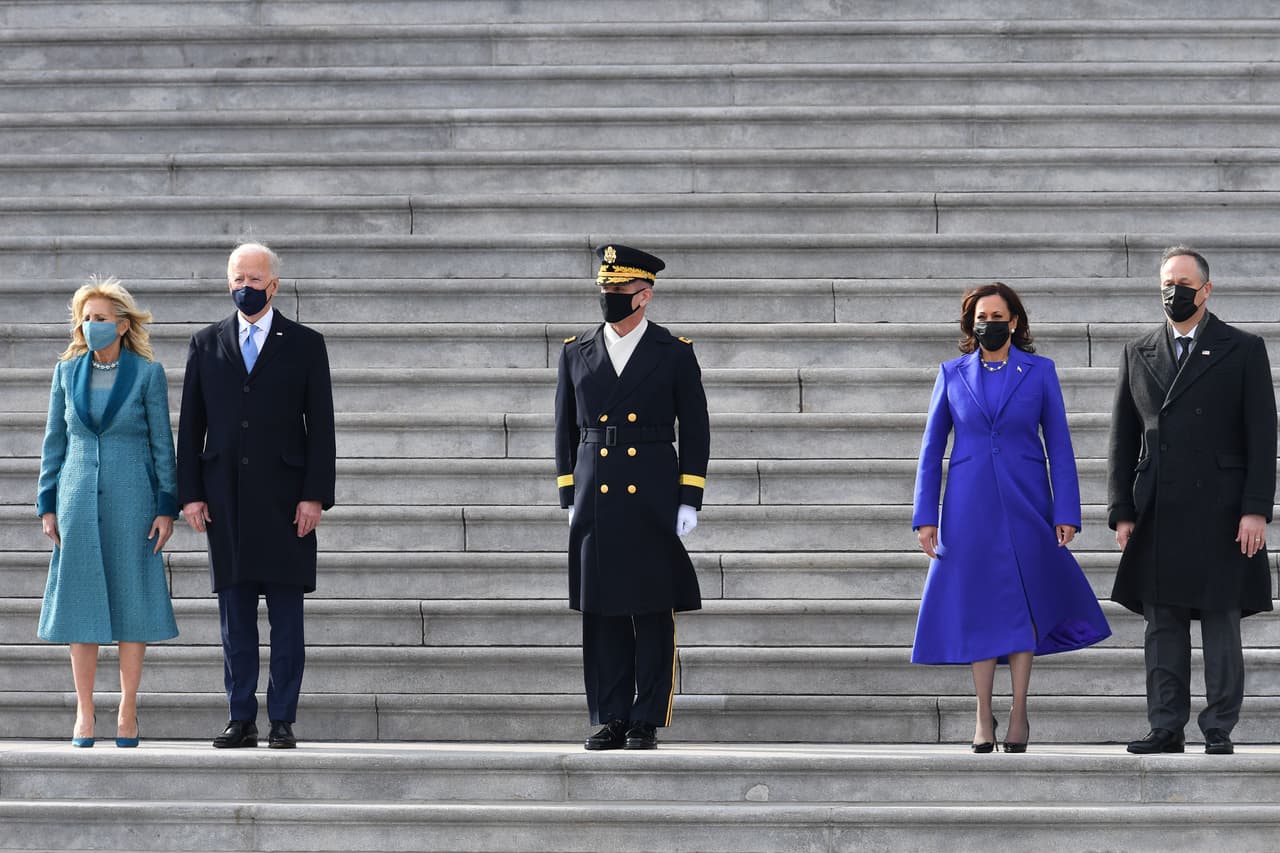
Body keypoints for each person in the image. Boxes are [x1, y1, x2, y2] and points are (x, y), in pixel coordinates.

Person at [912, 282, 1111, 753]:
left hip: (1027, 502)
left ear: (1015, 321)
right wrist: (926, 516)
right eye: (982, 316)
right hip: (968, 505)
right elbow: (930, 448)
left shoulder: (1039, 372)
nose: (990, 323)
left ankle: (1019, 712)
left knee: (1023, 605)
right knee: (981, 605)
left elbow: (1059, 444)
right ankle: (984, 715)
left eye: (998, 315)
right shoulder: (952, 373)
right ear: (971, 323)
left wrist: (1067, 510)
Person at [1108, 246, 1276, 756]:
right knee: (1163, 626)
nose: (1172, 291)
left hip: (1223, 509)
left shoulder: (1243, 348)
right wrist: (1122, 510)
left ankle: (1219, 727)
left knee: (1221, 620)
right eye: (1166, 282)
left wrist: (1255, 509)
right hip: (1159, 507)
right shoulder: (1139, 352)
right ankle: (1165, 726)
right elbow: (1122, 438)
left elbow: (1262, 436)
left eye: (1182, 282)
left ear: (1206, 290)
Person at [176, 242, 336, 750]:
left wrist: (315, 496)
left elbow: (322, 429)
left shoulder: (306, 344)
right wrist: (191, 496)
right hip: (225, 502)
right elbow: (191, 428)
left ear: (274, 284)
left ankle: (282, 717)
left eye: (254, 278)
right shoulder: (205, 344)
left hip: (287, 504)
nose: (245, 287)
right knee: (235, 618)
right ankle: (240, 714)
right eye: (237, 278)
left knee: (287, 618)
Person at [554, 243, 710, 750]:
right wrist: (568, 492)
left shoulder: (673, 352)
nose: (609, 297)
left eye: (618, 290)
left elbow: (697, 429)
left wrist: (689, 496)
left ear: (644, 296)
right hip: (596, 490)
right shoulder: (576, 350)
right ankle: (613, 714)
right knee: (603, 611)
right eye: (605, 289)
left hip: (651, 491)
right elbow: (563, 428)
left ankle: (646, 717)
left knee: (651, 608)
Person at [36, 277, 179, 748]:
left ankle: (128, 707)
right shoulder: (66, 373)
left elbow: (163, 445)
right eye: (85, 318)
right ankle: (84, 710)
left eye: (99, 318)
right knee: (80, 604)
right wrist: (47, 502)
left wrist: (166, 507)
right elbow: (54, 441)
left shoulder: (146, 374)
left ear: (121, 324)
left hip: (132, 498)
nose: (89, 325)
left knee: (131, 602)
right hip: (76, 499)